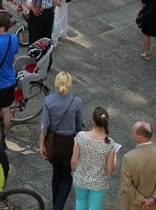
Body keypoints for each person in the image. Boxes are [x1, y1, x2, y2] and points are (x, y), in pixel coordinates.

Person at [38, 72, 83, 210]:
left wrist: (41, 145)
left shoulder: (49, 100)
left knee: (56, 172)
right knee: (67, 176)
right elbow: (78, 126)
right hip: (69, 143)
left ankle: (55, 202)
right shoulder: (76, 101)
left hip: (54, 142)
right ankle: (58, 206)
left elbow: (43, 126)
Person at [70, 106, 118, 210]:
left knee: (80, 203)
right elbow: (110, 169)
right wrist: (115, 158)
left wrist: (73, 172)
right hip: (99, 183)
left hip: (81, 179)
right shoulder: (110, 144)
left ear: (93, 121)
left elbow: (74, 160)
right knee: (95, 207)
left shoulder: (80, 137)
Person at [117, 121, 156, 210]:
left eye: (133, 131)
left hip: (132, 205)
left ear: (140, 138)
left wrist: (141, 200)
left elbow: (126, 185)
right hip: (153, 205)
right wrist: (154, 198)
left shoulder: (128, 157)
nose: (131, 133)